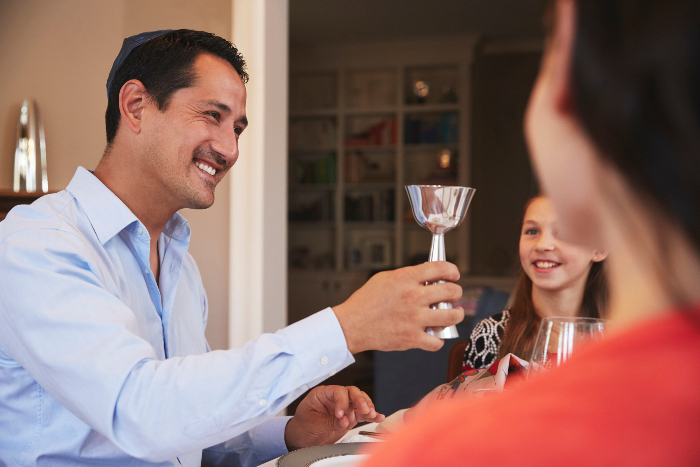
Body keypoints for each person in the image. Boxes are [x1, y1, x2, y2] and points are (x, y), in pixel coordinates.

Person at [0, 30, 464, 466]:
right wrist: (346, 328)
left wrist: (288, 433)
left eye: (237, 128)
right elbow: (142, 412)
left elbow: (187, 426)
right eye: (211, 115)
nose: (230, 148)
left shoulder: (180, 263)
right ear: (137, 106)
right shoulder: (38, 245)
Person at [362, 0, 700, 464]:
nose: (545, 244)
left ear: (567, 95)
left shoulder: (450, 450)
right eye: (532, 230)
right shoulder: (489, 346)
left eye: (552, 48)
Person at [463, 195, 607, 369]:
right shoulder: (491, 334)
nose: (542, 245)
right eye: (532, 231)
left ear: (599, 248)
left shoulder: (627, 335)